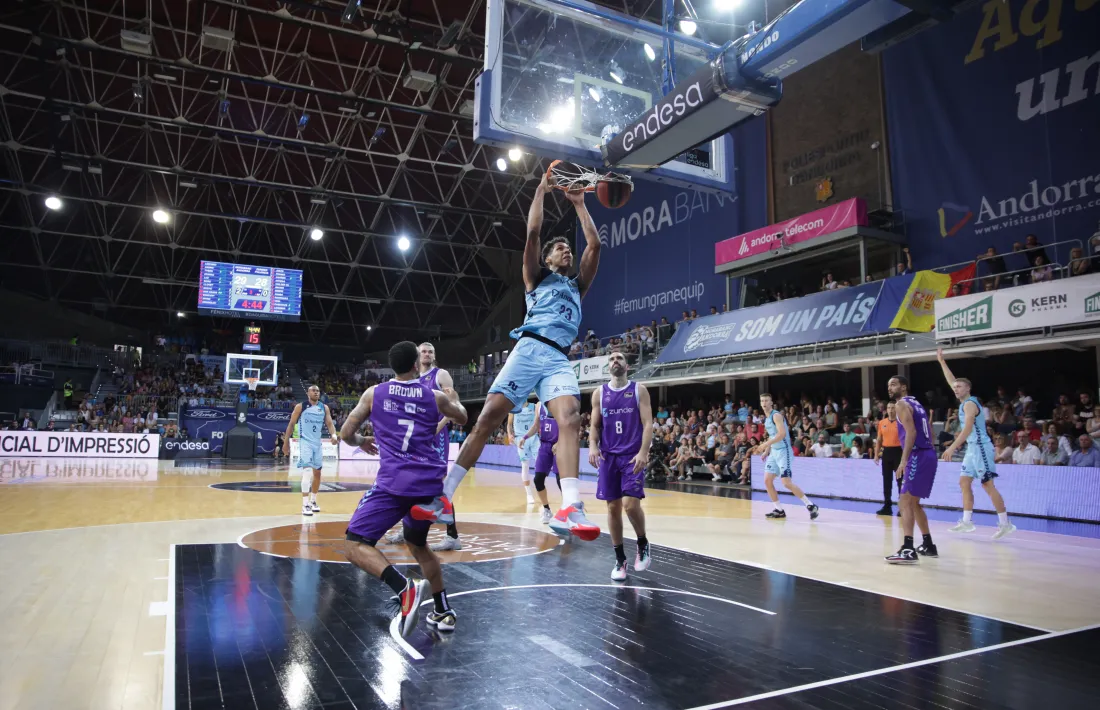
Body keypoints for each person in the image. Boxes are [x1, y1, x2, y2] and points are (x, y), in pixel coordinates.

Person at [424, 173, 602, 541]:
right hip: (528, 349)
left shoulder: (577, 285)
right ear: (547, 258)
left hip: (557, 358)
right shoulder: (536, 278)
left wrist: (580, 205)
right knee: (487, 418)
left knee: (570, 418)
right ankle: (443, 496)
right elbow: (533, 235)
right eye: (560, 249)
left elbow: (595, 246)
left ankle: (571, 504)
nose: (566, 251)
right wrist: (540, 190)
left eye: (568, 248)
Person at [339, 341, 468, 637]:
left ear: (391, 366)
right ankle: (443, 609)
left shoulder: (374, 394)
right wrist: (454, 397)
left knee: (354, 544)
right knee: (418, 546)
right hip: (428, 485)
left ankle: (404, 589)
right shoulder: (435, 397)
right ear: (415, 366)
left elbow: (346, 434)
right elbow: (461, 417)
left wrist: (362, 442)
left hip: (394, 486)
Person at [936, 349, 1016, 539]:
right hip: (972, 448)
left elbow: (967, 429)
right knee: (964, 482)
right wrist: (941, 361)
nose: (955, 389)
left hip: (980, 447)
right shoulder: (963, 401)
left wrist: (952, 447)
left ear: (968, 389)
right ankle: (967, 522)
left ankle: (1005, 524)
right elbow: (950, 379)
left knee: (987, 485)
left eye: (959, 387)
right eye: (955, 387)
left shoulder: (970, 404)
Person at [588, 351, 653, 581]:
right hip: (608, 457)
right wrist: (593, 446)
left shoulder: (638, 390)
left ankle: (643, 542)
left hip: (631, 456)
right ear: (609, 367)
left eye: (620, 359)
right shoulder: (599, 393)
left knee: (629, 505)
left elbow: (648, 424)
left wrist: (644, 451)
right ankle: (620, 559)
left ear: (627, 366)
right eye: (612, 359)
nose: (615, 361)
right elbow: (595, 426)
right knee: (612, 508)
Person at [885, 376, 939, 564]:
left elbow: (912, 432)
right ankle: (928, 544)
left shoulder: (901, 404)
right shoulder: (916, 403)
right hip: (928, 454)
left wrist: (904, 460)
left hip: (918, 455)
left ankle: (908, 549)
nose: (890, 388)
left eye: (893, 384)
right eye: (888, 385)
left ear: (903, 386)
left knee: (905, 501)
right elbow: (929, 430)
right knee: (914, 503)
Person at [416, 342, 463, 552]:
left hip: (436, 435)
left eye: (430, 352)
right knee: (413, 483)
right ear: (417, 355)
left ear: (434, 355)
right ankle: (409, 529)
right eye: (423, 351)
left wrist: (439, 425)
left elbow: (455, 403)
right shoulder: (414, 378)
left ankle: (452, 536)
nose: (427, 354)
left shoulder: (440, 375)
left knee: (439, 486)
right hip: (418, 435)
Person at [755, 393, 819, 520]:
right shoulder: (766, 419)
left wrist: (765, 444)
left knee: (786, 483)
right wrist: (767, 450)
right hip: (774, 452)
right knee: (767, 481)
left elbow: (782, 434)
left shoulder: (776, 415)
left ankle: (811, 505)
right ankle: (779, 510)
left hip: (784, 452)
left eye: (766, 400)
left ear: (771, 402)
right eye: (762, 401)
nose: (764, 403)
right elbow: (772, 435)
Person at [283, 385, 338, 516]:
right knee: (307, 471)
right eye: (313, 390)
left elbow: (330, 424)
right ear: (308, 393)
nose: (316, 392)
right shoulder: (300, 407)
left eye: (318, 390)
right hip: (305, 442)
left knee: (317, 474)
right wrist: (286, 443)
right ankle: (304, 504)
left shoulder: (324, 408)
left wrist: (334, 435)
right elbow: (291, 424)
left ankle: (313, 501)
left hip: (317, 443)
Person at [519, 400, 563, 522]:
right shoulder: (539, 405)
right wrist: (525, 437)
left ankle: (567, 509)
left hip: (559, 446)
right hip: (544, 446)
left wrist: (560, 442)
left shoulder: (560, 402)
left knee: (561, 480)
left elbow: (567, 426)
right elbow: (536, 426)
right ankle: (547, 510)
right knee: (538, 479)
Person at [509, 395, 539, 505]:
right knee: (525, 465)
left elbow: (538, 422)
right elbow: (509, 424)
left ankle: (539, 486)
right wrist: (509, 434)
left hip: (534, 437)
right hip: (520, 438)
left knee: (540, 464)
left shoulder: (534, 406)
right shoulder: (513, 409)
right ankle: (529, 494)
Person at [874, 402, 903, 516]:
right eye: (889, 408)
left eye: (893, 408)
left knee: (900, 481)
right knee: (886, 481)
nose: (891, 410)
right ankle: (887, 506)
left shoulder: (901, 423)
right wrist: (876, 454)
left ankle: (902, 507)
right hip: (886, 452)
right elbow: (879, 440)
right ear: (886, 410)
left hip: (898, 452)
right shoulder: (882, 423)